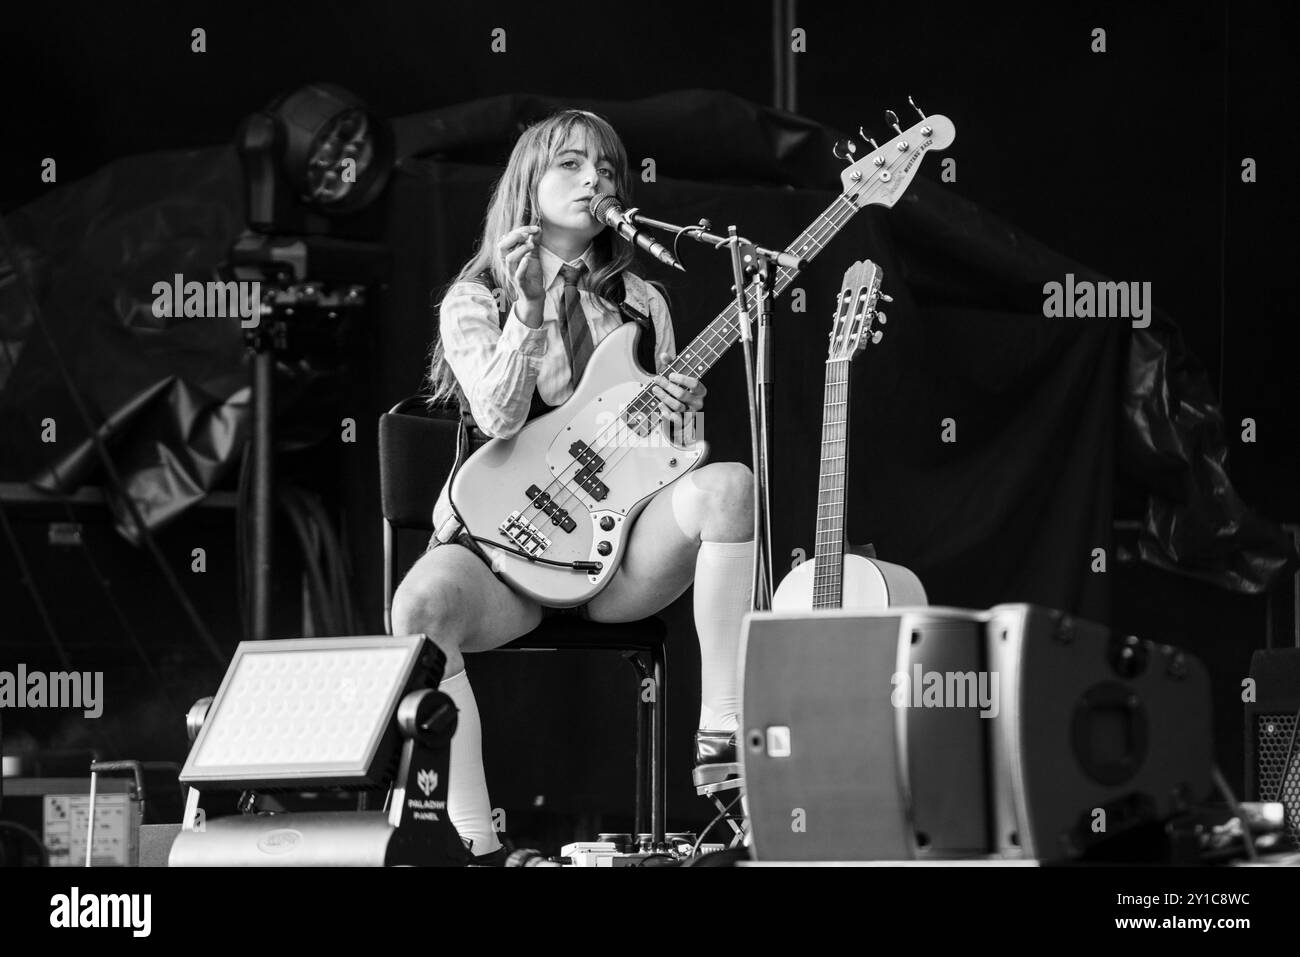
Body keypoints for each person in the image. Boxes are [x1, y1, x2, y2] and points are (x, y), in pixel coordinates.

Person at [392, 108, 754, 863]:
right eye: (572, 165)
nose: (596, 179)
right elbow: (497, 415)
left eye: (608, 169)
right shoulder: (476, 297)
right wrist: (527, 309)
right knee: (420, 608)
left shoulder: (642, 303)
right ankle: (472, 841)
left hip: (616, 550)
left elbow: (669, 457)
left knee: (729, 489)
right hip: (504, 554)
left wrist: (677, 422)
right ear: (528, 184)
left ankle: (722, 735)